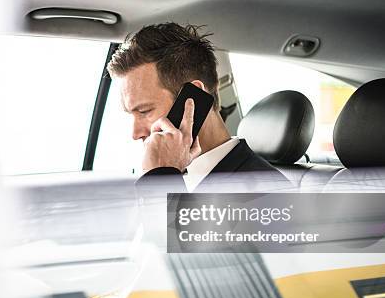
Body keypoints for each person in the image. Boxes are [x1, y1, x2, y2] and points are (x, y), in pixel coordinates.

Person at [107, 22, 283, 193]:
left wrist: (160, 178)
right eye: (131, 114)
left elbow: (166, 224)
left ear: (192, 99)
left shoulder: (268, 193)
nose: (135, 133)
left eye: (145, 111)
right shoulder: (177, 175)